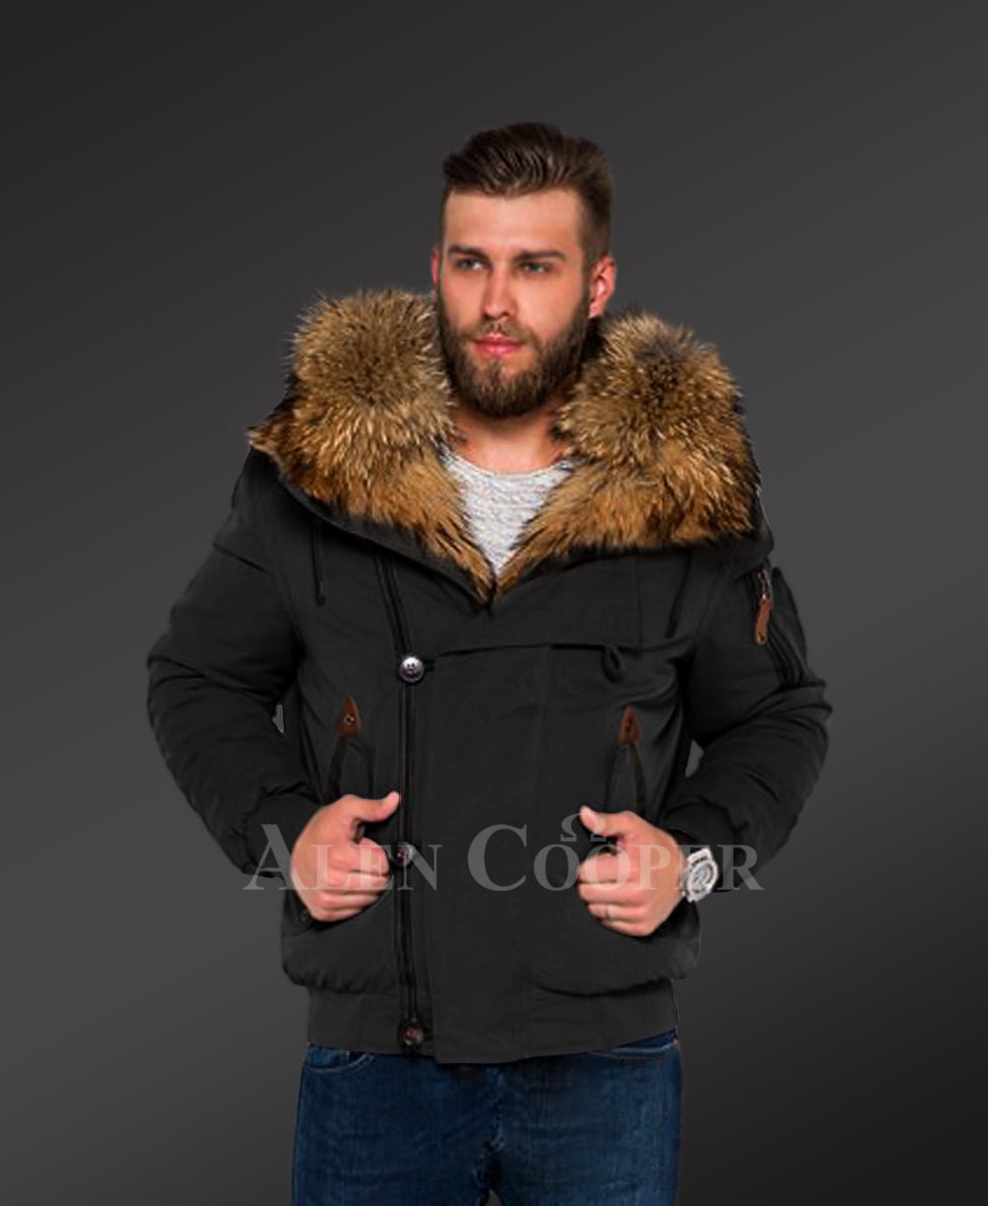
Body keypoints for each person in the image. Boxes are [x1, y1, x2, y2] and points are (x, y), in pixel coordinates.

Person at [146, 121, 832, 1205]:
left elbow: (779, 713)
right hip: (378, 1049)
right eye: (471, 262)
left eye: (534, 267)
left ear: (597, 284)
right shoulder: (314, 473)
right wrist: (284, 833)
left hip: (604, 1052)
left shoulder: (683, 487)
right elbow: (198, 678)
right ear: (437, 268)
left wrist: (692, 857)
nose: (496, 302)